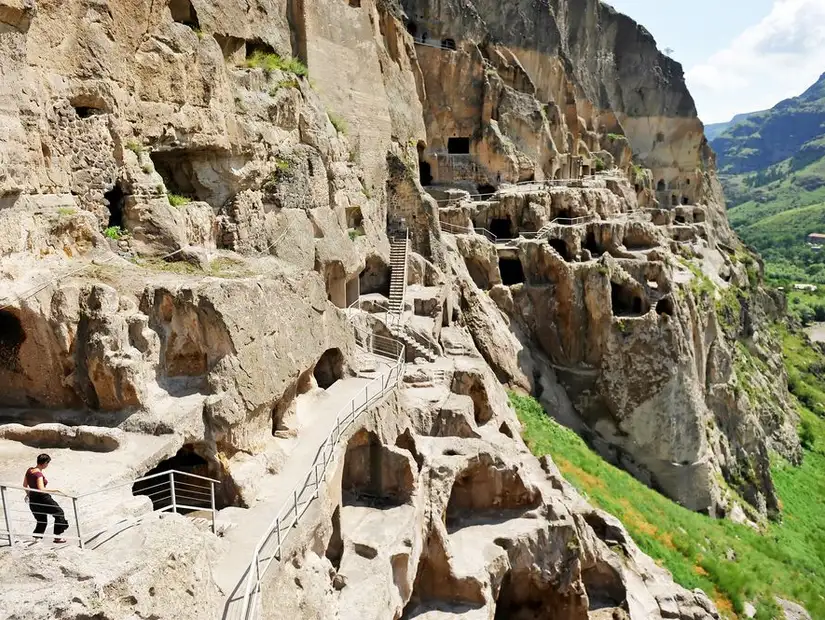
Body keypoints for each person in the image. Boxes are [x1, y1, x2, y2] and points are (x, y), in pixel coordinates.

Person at [23, 454, 69, 543]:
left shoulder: (29, 470)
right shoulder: (38, 474)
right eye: (47, 463)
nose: (47, 465)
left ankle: (37, 538)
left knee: (41, 519)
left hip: (33, 499)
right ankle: (57, 537)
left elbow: (25, 485)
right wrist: (57, 490)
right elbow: (41, 489)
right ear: (44, 463)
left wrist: (29, 495)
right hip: (43, 498)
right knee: (59, 513)